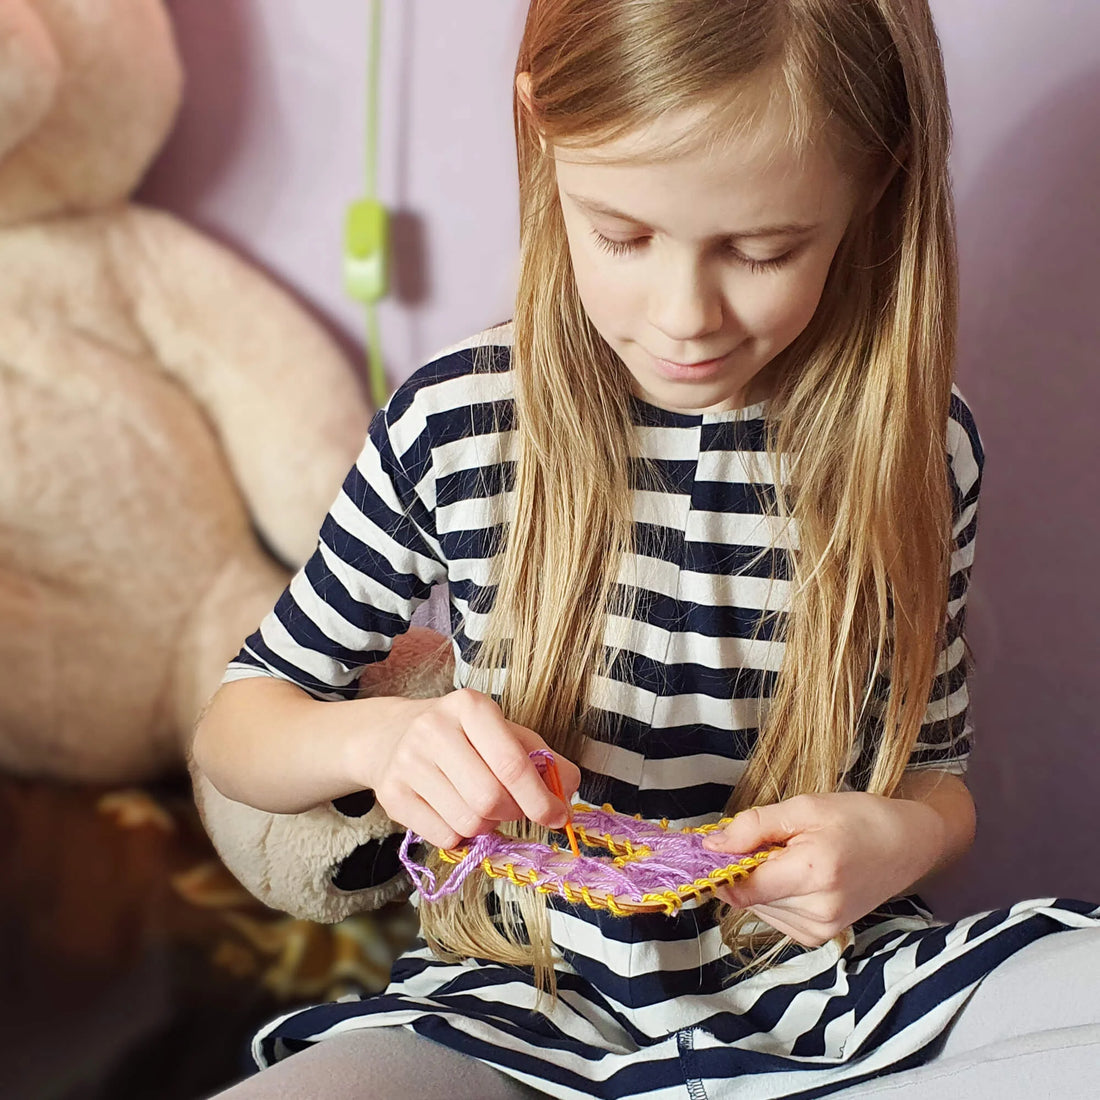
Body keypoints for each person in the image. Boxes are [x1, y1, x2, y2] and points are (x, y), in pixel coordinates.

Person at [193, 1, 1100, 1097]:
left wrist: (893, 839)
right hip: (513, 999)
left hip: (836, 991)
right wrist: (382, 741)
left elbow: (934, 780)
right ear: (540, 133)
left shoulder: (917, 448)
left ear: (875, 180)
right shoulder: (458, 421)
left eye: (763, 250)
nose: (684, 317)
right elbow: (239, 724)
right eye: (621, 235)